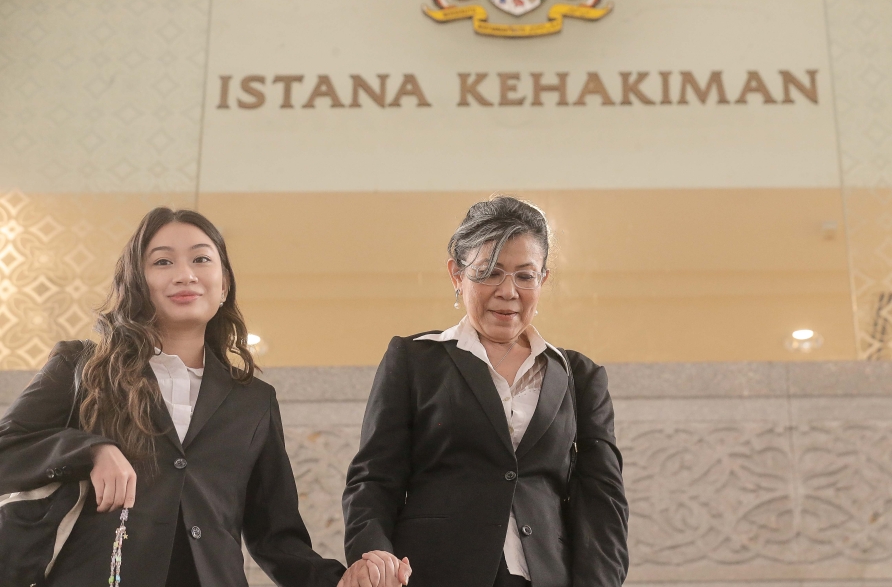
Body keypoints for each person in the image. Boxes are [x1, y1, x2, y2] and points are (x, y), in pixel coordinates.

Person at [0, 207, 410, 587]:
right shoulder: (81, 366)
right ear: (137, 282)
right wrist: (90, 450)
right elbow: (7, 450)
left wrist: (341, 580)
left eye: (201, 259)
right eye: (162, 261)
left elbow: (275, 535)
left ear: (225, 283)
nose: (185, 275)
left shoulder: (254, 401)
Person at [343, 196, 629, 587]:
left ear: (543, 280)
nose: (508, 291)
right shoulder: (415, 359)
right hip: (431, 573)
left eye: (525, 276)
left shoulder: (579, 375)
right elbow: (374, 478)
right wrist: (374, 557)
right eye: (490, 272)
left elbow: (603, 500)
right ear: (457, 275)